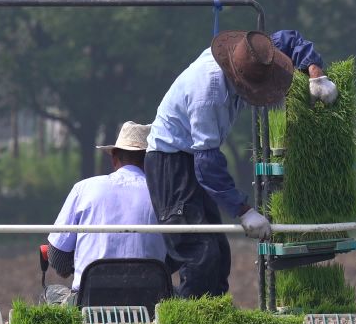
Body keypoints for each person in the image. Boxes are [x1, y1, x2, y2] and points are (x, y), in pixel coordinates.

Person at [146, 29, 337, 298]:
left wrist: (317, 74)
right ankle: (182, 321)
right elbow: (207, 164)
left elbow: (290, 40)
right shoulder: (207, 93)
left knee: (220, 254)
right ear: (238, 80)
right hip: (171, 163)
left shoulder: (252, 54)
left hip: (193, 156)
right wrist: (244, 210)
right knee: (200, 254)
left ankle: (216, 315)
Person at [42, 121, 167, 305]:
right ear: (151, 160)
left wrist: (71, 266)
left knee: (50, 293)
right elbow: (177, 254)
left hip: (90, 302)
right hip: (150, 300)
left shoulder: (84, 189)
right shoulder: (164, 195)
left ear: (114, 156)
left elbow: (57, 257)